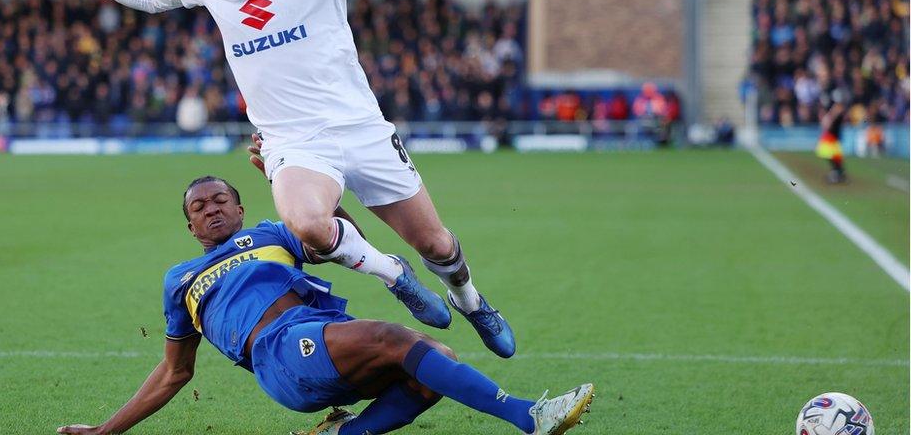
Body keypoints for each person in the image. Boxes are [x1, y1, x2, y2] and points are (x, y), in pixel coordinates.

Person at [39, 0, 516, 357]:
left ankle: (471, 300)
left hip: (359, 126)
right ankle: (393, 274)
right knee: (307, 225)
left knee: (437, 245)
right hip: (292, 140)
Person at [56, 176, 595, 435]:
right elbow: (175, 373)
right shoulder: (180, 280)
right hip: (277, 354)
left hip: (320, 332)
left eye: (220, 199)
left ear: (241, 208)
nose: (211, 209)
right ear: (190, 225)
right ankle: (529, 416)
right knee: (394, 339)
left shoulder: (274, 232)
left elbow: (342, 238)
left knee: (436, 364)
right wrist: (106, 431)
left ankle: (345, 434)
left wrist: (306, 189)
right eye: (198, 207)